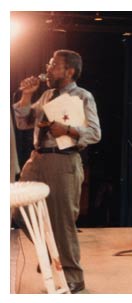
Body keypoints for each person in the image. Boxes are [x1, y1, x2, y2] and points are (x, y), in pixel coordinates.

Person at [12, 49, 101, 293]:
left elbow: (94, 133)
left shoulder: (83, 96)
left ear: (69, 71)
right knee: (18, 212)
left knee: (62, 223)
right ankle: (49, 254)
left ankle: (73, 277)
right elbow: (23, 122)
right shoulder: (47, 94)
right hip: (36, 160)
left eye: (53, 65)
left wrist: (69, 131)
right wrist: (27, 97)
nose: (48, 68)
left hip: (63, 162)